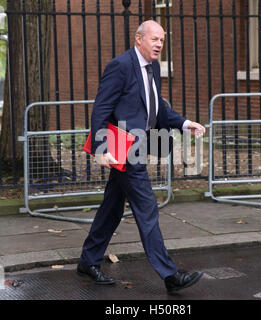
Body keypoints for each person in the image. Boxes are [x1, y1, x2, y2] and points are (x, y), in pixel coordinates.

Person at [77, 20, 206, 293]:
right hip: (123, 149)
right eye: (154, 39)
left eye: (162, 39)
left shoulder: (153, 68)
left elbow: (157, 110)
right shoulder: (121, 66)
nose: (159, 44)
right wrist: (102, 149)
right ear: (139, 40)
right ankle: (170, 275)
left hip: (137, 147)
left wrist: (184, 123)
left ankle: (88, 261)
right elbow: (101, 109)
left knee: (112, 208)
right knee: (147, 209)